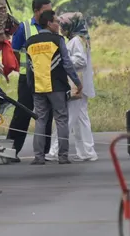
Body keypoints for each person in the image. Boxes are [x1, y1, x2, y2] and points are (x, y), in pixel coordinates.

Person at [25, 10, 82, 165]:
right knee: (62, 120)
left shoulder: (30, 42)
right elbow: (67, 63)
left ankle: (39, 157)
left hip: (38, 87)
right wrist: (77, 82)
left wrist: (31, 87)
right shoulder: (57, 40)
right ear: (49, 23)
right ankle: (63, 156)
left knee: (40, 121)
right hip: (57, 87)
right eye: (56, 21)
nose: (59, 24)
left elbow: (29, 68)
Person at [6, 0, 54, 162]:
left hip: (47, 77)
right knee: (22, 113)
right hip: (27, 79)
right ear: (37, 11)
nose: (50, 14)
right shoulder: (24, 28)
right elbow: (14, 51)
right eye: (46, 11)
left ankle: (43, 152)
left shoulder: (51, 26)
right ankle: (12, 150)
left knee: (47, 115)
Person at [46, 12, 98, 162]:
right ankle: (87, 152)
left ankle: (55, 150)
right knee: (81, 119)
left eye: (63, 26)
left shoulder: (75, 41)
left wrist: (63, 61)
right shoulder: (80, 39)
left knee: (66, 118)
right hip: (80, 85)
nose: (61, 29)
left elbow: (80, 61)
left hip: (76, 85)